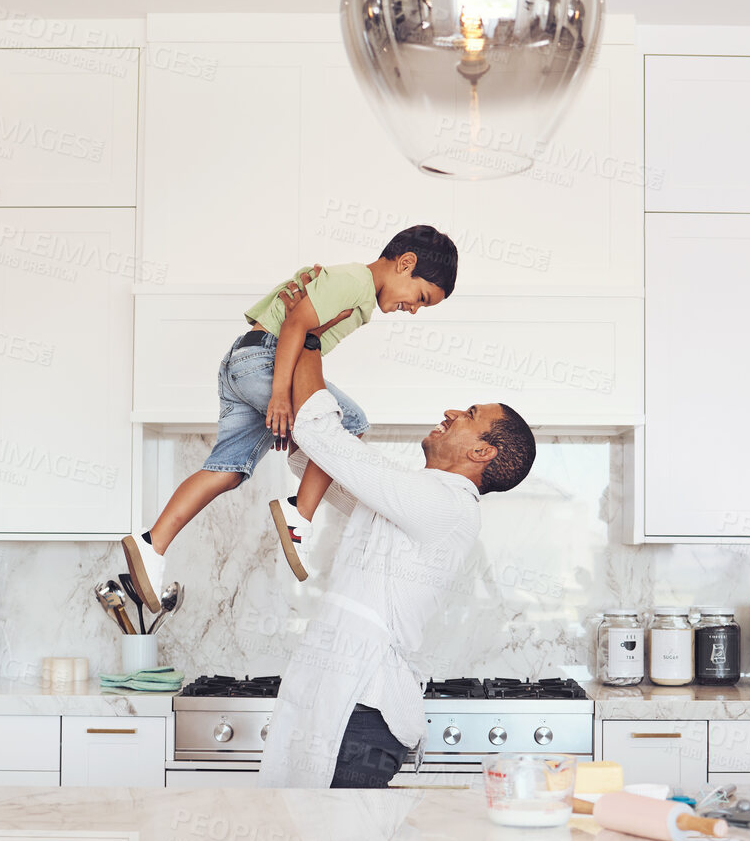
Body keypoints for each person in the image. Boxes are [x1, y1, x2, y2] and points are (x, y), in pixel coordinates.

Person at [257, 280, 537, 788]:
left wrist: (310, 332)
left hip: (360, 717)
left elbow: (323, 438)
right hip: (344, 702)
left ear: (482, 453)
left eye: (469, 417)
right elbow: (313, 460)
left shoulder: (444, 506)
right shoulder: (413, 496)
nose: (452, 412)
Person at [121, 226, 459, 610]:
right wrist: (280, 395)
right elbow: (296, 325)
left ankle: (153, 545)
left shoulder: (355, 289)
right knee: (350, 423)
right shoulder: (355, 281)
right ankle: (299, 512)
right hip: (263, 361)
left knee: (228, 469)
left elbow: (303, 331)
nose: (413, 309)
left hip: (244, 363)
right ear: (406, 263)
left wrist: (293, 410)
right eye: (420, 298)